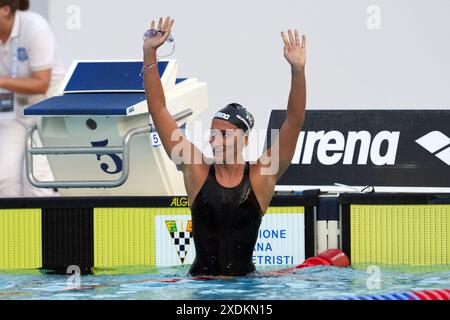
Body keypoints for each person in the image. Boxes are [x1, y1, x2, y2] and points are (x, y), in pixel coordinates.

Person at [143, 17, 307, 277]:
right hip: (200, 286)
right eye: (212, 133)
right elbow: (159, 109)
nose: (213, 139)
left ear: (244, 140)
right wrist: (150, 52)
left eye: (224, 134)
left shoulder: (261, 176)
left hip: (247, 289)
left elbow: (294, 121)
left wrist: (297, 71)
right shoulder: (195, 170)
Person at [0, 0, 66, 197]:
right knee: (4, 180)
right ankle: (10, 228)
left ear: (5, 10)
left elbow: (41, 83)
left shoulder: (35, 27)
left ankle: (49, 227)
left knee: (36, 182)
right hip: (14, 109)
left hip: (45, 109)